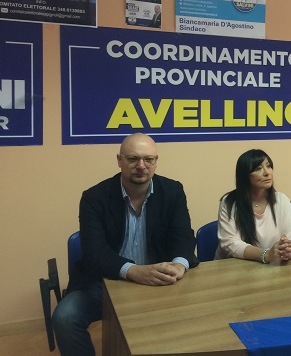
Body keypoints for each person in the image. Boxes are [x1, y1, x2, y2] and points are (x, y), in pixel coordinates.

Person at [52, 133, 198, 356]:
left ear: (156, 162)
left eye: (148, 159)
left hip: (159, 281)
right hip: (106, 282)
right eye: (133, 159)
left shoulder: (172, 191)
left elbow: (184, 236)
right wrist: (134, 271)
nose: (141, 166)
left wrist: (179, 265)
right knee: (65, 317)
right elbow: (95, 253)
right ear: (119, 160)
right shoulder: (94, 197)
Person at [216, 149, 291, 263]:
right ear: (245, 175)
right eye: (258, 168)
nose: (267, 173)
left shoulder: (281, 200)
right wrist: (266, 254)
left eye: (269, 166)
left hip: (271, 266)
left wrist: (288, 249)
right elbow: (230, 243)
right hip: (235, 267)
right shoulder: (229, 202)